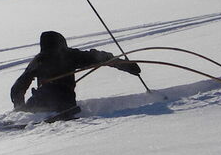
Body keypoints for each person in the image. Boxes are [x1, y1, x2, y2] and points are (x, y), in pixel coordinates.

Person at [10, 31, 141, 113]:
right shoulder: (70, 55)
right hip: (65, 103)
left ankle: (27, 115)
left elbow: (18, 86)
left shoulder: (38, 60)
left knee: (34, 108)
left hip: (38, 102)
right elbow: (101, 58)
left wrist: (19, 107)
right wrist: (127, 66)